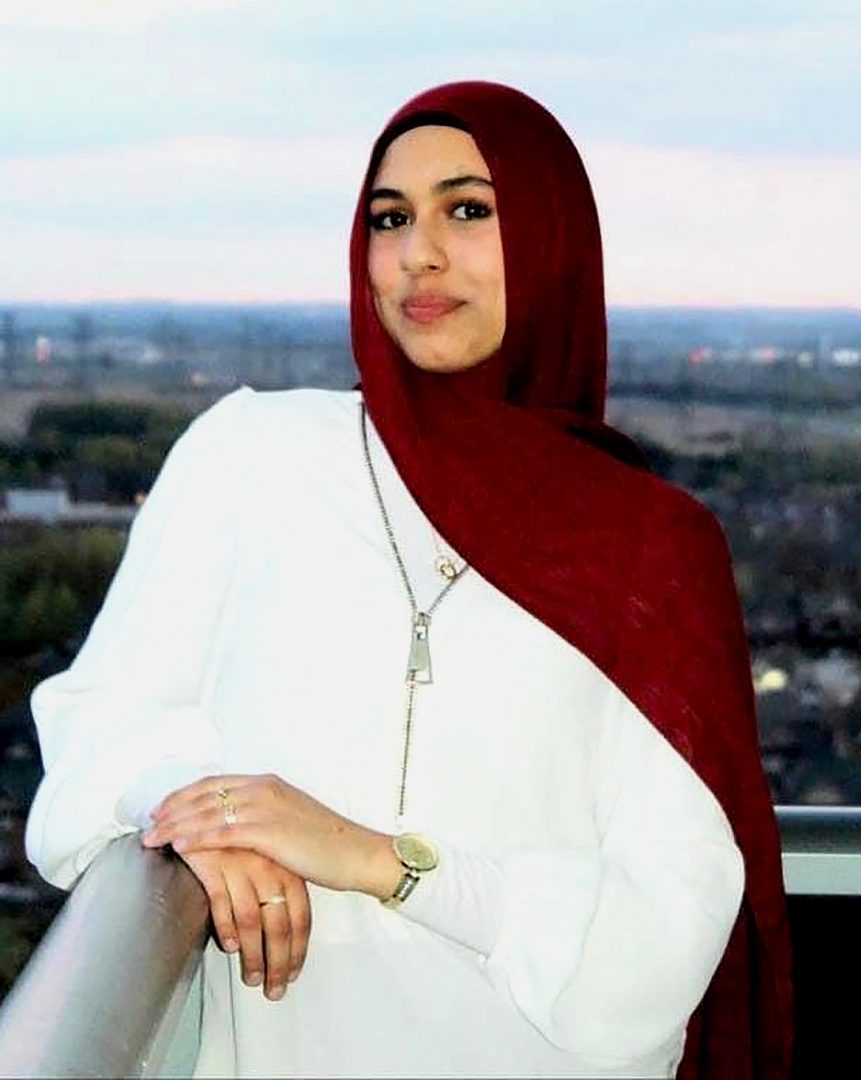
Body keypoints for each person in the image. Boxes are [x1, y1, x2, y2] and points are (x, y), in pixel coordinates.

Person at [25, 81, 792, 1078]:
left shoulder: (654, 547)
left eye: (468, 209)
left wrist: (382, 863)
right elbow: (98, 723)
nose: (417, 252)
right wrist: (197, 814)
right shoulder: (250, 457)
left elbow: (672, 920)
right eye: (389, 217)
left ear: (555, 240)